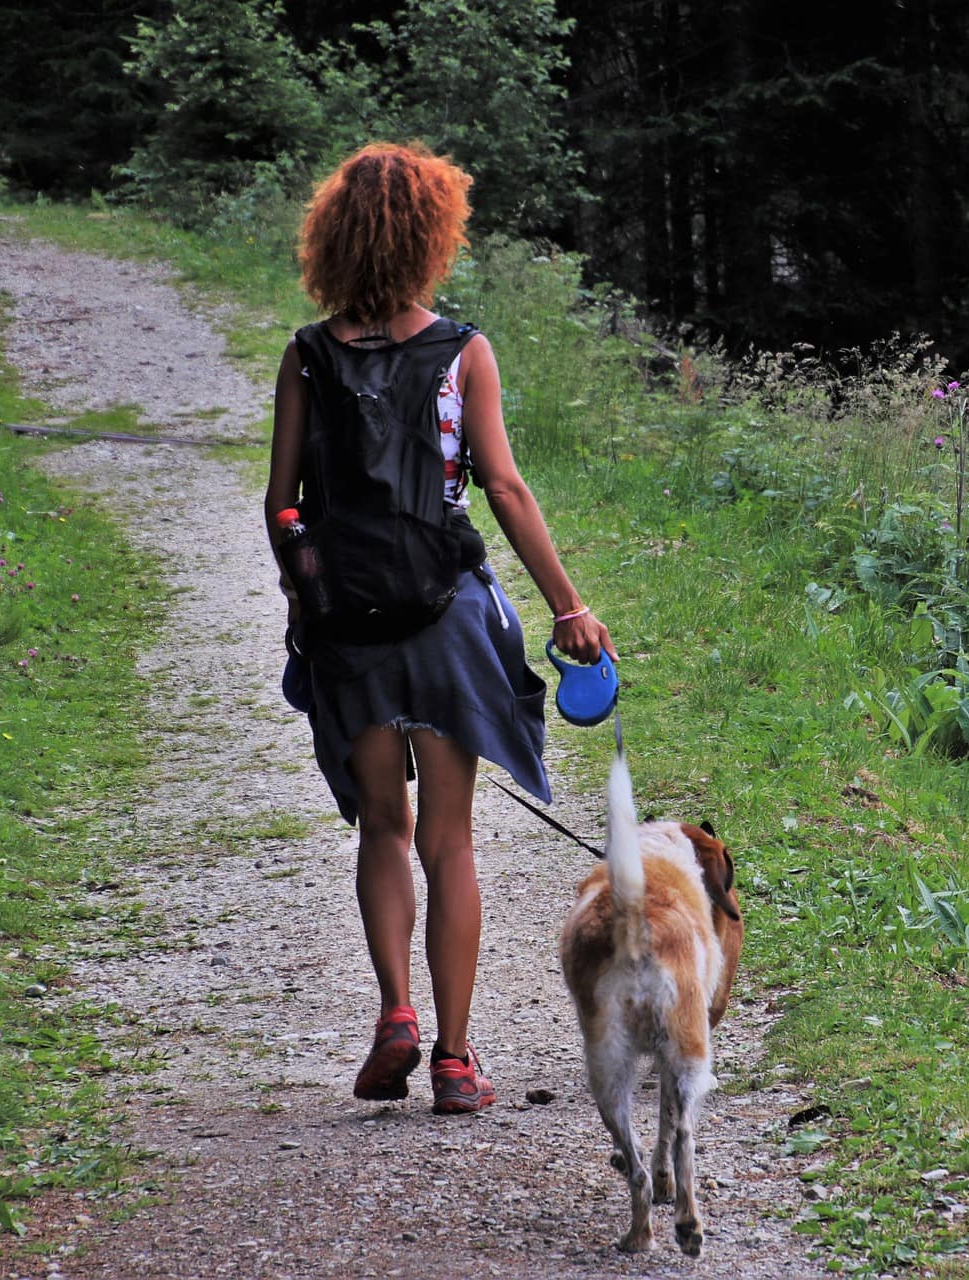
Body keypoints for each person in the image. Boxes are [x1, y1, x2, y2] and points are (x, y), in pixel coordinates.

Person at [265, 142, 613, 1115]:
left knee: (384, 824)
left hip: (351, 629)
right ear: (431, 236)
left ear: (334, 237)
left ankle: (397, 1017)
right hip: (446, 616)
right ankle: (457, 1061)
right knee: (449, 841)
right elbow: (501, 485)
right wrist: (568, 607)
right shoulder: (463, 351)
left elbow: (281, 501)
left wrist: (311, 602)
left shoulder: (305, 354)